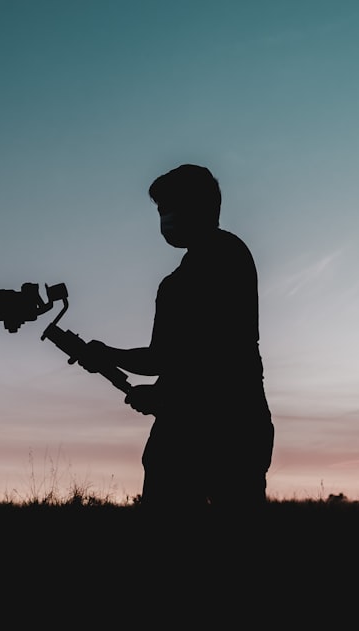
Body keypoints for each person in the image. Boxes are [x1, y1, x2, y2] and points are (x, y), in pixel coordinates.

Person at [80, 164, 274, 508]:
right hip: (223, 424)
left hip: (213, 430)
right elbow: (180, 357)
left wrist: (110, 356)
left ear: (197, 207)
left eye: (167, 208)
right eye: (160, 210)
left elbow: (183, 356)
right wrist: (159, 392)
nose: (164, 219)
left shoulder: (214, 261)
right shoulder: (213, 262)